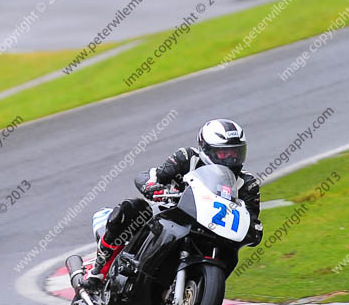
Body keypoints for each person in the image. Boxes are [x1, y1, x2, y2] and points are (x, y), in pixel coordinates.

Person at [83, 118, 263, 289]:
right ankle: (99, 269)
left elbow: (251, 219)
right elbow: (149, 176)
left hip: (213, 233)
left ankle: (198, 289)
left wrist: (254, 230)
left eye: (235, 153)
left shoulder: (248, 184)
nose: (230, 160)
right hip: (173, 216)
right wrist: (155, 189)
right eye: (223, 153)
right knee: (133, 208)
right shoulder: (187, 158)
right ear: (206, 149)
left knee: (231, 251)